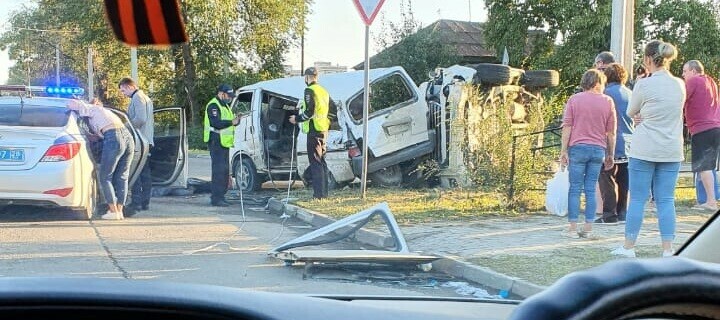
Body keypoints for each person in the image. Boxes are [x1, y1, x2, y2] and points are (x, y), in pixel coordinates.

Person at [611, 40, 686, 258]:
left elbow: (631, 111)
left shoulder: (644, 84)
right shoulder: (680, 84)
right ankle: (668, 249)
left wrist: (641, 113)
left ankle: (629, 246)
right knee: (666, 199)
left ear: (647, 59)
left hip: (645, 147)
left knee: (637, 199)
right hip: (671, 148)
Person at [560, 69, 617, 239]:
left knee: (575, 188)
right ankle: (588, 227)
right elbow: (611, 132)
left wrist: (564, 150)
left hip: (577, 147)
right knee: (591, 189)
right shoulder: (608, 101)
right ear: (599, 82)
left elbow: (567, 126)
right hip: (597, 149)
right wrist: (610, 154)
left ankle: (572, 227)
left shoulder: (574, 100)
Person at [67, 99, 135, 220]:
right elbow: (97, 136)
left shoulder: (93, 109)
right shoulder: (107, 114)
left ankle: (113, 211)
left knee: (105, 176)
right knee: (122, 176)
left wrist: (67, 100)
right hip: (128, 137)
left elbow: (73, 104)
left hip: (114, 137)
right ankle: (119, 211)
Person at [596, 63, 634, 224]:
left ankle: (609, 214)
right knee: (624, 180)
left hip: (609, 141)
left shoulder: (604, 94)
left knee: (607, 178)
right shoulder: (630, 94)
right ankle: (623, 211)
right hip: (629, 142)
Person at [682, 60, 720, 211]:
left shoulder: (694, 81)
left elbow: (681, 98)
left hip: (701, 128)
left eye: (685, 71)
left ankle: (710, 201)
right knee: (710, 166)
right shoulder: (711, 81)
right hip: (715, 126)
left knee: (703, 166)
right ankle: (711, 199)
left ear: (693, 70)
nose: (683, 75)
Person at [289, 67, 330, 199]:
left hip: (313, 130)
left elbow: (309, 112)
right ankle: (324, 193)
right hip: (323, 129)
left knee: (315, 162)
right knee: (322, 162)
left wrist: (297, 119)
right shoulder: (323, 91)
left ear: (307, 77)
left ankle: (318, 195)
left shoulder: (309, 90)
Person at [118, 77, 154, 214]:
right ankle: (145, 202)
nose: (123, 94)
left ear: (130, 87)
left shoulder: (137, 98)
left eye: (123, 90)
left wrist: (125, 127)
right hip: (146, 139)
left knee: (136, 172)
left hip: (140, 140)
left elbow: (140, 119)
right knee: (144, 172)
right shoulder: (145, 97)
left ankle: (137, 202)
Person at [205, 84, 240, 207]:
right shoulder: (214, 105)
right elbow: (216, 123)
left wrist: (235, 121)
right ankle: (216, 198)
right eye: (228, 95)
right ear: (221, 93)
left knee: (224, 171)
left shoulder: (224, 105)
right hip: (216, 141)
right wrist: (232, 122)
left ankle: (221, 196)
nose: (230, 98)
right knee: (218, 171)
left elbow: (228, 123)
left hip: (223, 142)